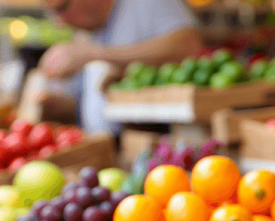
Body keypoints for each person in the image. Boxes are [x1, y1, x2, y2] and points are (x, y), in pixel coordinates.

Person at [38, 0, 202, 132]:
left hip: (156, 139)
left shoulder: (146, 4)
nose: (60, 21)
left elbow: (188, 45)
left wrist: (97, 54)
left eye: (63, 7)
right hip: (108, 147)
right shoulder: (87, 31)